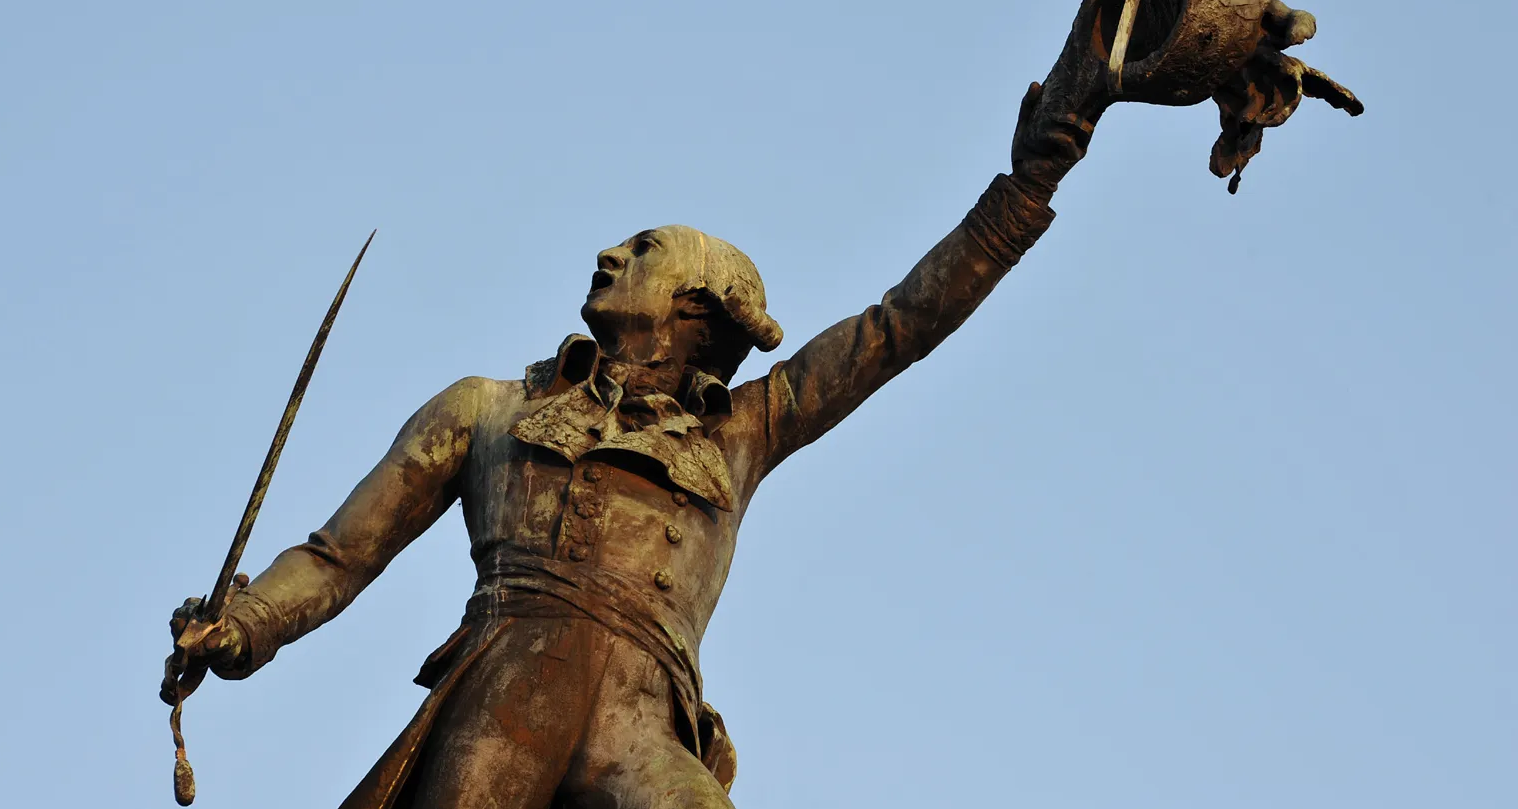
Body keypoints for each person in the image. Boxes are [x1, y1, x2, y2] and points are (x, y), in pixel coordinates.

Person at [167, 81, 1079, 808]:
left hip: (642, 722)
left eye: (641, 249)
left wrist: (1024, 189)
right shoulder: (487, 409)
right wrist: (242, 626)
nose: (607, 252)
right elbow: (338, 556)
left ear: (699, 307)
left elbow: (895, 328)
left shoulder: (746, 427)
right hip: (505, 684)